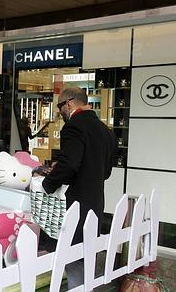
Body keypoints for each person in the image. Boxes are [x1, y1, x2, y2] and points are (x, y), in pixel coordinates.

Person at [36, 87, 116, 289]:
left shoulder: (73, 127)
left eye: (59, 106)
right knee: (84, 255)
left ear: (69, 103)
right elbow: (105, 171)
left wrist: (47, 184)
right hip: (95, 203)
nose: (59, 112)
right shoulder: (105, 130)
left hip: (74, 204)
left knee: (71, 257)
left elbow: (70, 164)